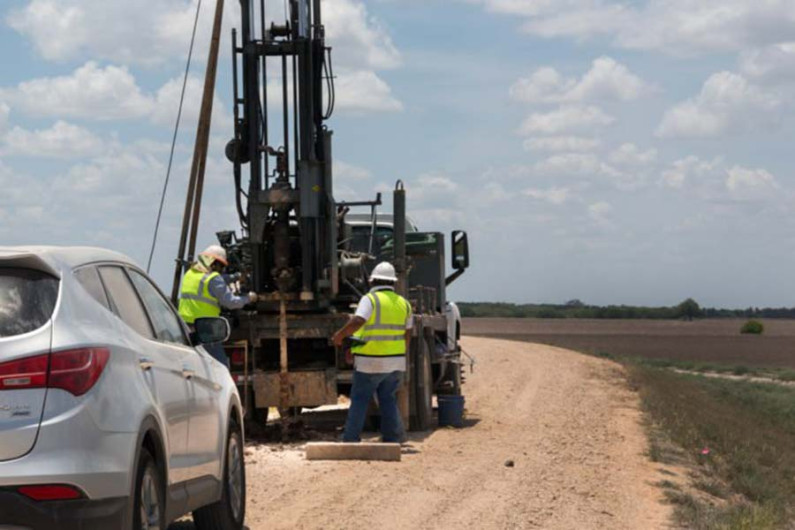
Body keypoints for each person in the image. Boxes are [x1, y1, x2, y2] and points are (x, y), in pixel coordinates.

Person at [332, 262, 412, 443]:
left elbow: (359, 321)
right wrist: (399, 355)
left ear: (372, 281)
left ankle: (351, 438)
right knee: (388, 399)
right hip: (395, 362)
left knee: (360, 399)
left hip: (370, 361)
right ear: (393, 282)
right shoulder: (404, 304)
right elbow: (408, 333)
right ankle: (393, 438)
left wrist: (340, 335)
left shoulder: (370, 299)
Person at [178, 245, 258, 366]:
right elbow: (230, 302)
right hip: (205, 329)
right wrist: (249, 298)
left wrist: (235, 277)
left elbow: (216, 280)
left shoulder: (190, 273)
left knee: (194, 365)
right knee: (220, 366)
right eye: (220, 266)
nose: (220, 269)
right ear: (213, 263)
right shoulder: (213, 278)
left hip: (184, 327)